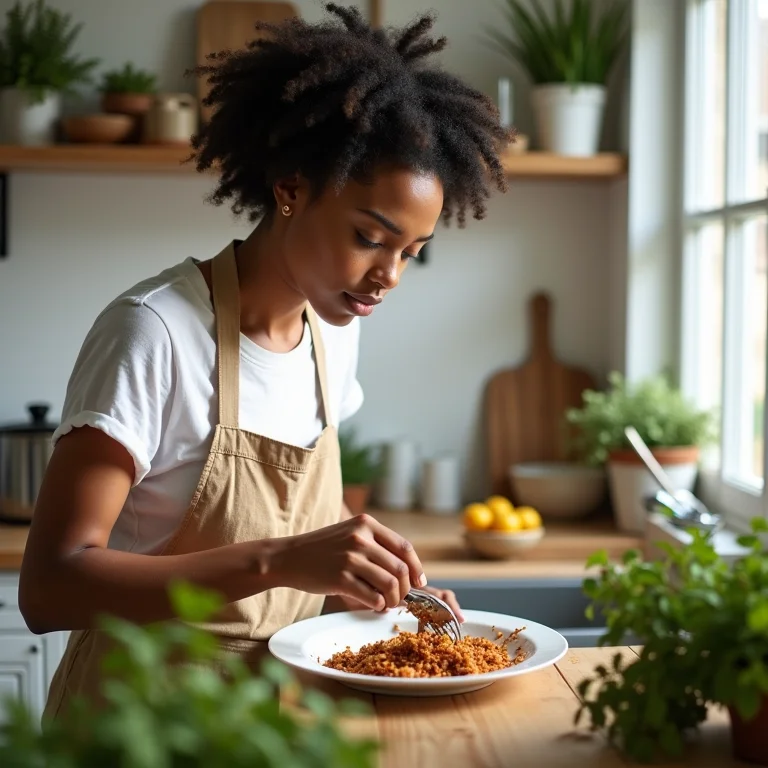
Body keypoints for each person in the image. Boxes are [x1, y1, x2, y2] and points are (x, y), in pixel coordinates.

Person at [19, 3, 512, 718]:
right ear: (289, 190)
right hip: (139, 725)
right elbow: (50, 588)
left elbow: (292, 513)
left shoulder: (332, 330)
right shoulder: (153, 332)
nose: (390, 275)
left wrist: (353, 577)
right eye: (371, 236)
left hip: (275, 723)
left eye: (411, 251)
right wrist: (280, 561)